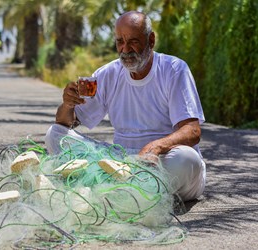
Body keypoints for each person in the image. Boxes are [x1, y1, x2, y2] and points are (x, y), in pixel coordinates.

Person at [45, 11, 206, 202]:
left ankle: (113, 188)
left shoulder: (174, 69)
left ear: (151, 40)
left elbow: (192, 130)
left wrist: (156, 147)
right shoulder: (108, 74)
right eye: (120, 41)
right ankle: (127, 189)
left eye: (133, 41)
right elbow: (66, 123)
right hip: (121, 162)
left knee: (187, 160)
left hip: (162, 160)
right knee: (54, 135)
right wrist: (67, 104)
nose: (125, 49)